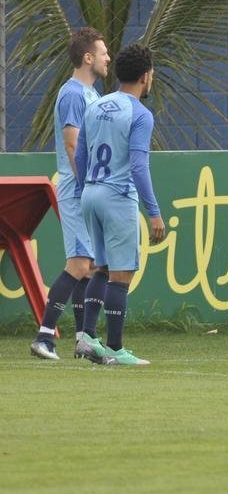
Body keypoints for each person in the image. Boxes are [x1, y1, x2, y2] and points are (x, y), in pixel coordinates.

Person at [72, 43, 166, 366]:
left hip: (90, 194)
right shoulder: (141, 114)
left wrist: (88, 186)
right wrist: (153, 212)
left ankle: (85, 337)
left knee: (101, 267)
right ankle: (114, 347)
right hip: (117, 197)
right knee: (120, 274)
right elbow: (139, 166)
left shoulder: (96, 105)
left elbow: (81, 154)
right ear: (146, 76)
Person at [29, 28, 110, 361]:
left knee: (89, 266)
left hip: (85, 187)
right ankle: (45, 337)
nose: (108, 58)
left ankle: (83, 339)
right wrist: (88, 185)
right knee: (79, 263)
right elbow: (73, 143)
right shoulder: (73, 94)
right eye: (103, 52)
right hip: (77, 189)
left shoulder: (91, 94)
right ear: (87, 57)